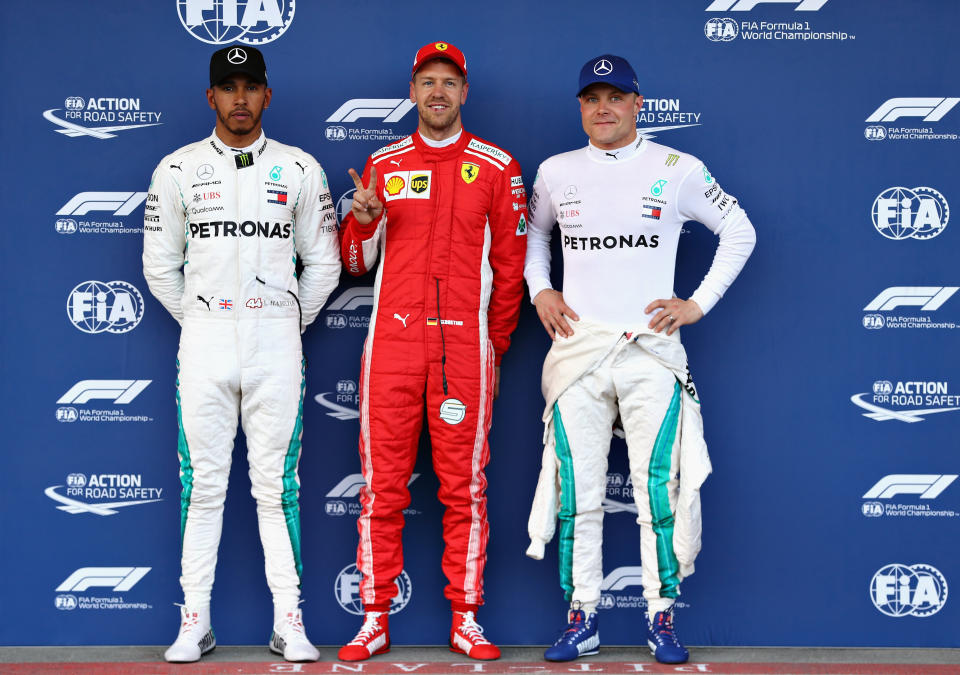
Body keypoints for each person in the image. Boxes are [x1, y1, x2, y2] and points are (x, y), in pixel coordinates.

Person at [523, 54, 756, 664]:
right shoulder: (555, 171)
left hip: (651, 352)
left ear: (637, 104)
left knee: (661, 490)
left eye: (615, 97)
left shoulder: (676, 168)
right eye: (592, 98)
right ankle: (582, 616)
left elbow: (740, 232)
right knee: (577, 490)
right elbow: (533, 239)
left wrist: (696, 304)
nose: (603, 108)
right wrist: (540, 289)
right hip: (579, 353)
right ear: (580, 107)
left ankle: (661, 616)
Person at [142, 45, 341, 663]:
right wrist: (207, 318)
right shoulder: (176, 170)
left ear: (267, 95)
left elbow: (325, 264)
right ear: (210, 97)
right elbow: (159, 267)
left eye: (250, 86)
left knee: (276, 488)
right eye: (227, 88)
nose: (239, 99)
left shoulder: (302, 169)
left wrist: (282, 319)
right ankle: (193, 622)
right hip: (204, 342)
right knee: (201, 487)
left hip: (276, 343)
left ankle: (290, 621)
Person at [336, 41, 528, 662]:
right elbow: (354, 264)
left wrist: (493, 349)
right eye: (427, 81)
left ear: (464, 92)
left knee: (464, 489)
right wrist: (363, 221)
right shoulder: (385, 166)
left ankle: (465, 617)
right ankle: (373, 616)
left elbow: (511, 267)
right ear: (412, 92)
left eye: (449, 81)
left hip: (463, 352)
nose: (438, 92)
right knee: (382, 488)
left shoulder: (498, 167)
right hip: (391, 347)